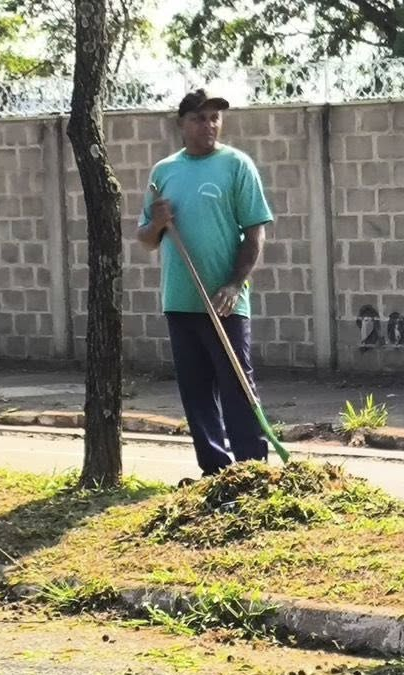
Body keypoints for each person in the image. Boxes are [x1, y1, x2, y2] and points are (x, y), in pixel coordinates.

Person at [137, 89, 274, 477]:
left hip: (225, 302)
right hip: (180, 301)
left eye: (215, 117)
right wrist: (158, 223)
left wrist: (234, 285)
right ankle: (215, 472)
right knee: (196, 393)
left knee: (236, 388)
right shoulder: (164, 173)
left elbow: (254, 234)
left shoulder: (236, 166)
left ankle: (252, 470)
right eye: (199, 118)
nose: (209, 125)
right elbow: (146, 240)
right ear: (180, 124)